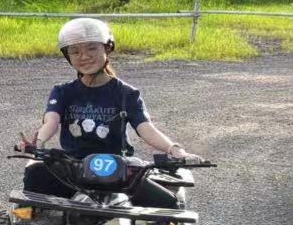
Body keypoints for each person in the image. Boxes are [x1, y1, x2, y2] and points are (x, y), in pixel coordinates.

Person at [17, 17, 190, 209]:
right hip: (72, 167)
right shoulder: (63, 91)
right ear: (68, 57)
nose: (83, 56)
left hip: (119, 168)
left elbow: (146, 128)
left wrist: (174, 149)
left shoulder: (126, 93)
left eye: (91, 48)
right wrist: (37, 143)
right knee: (34, 180)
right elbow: (51, 122)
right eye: (75, 51)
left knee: (170, 206)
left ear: (107, 48)